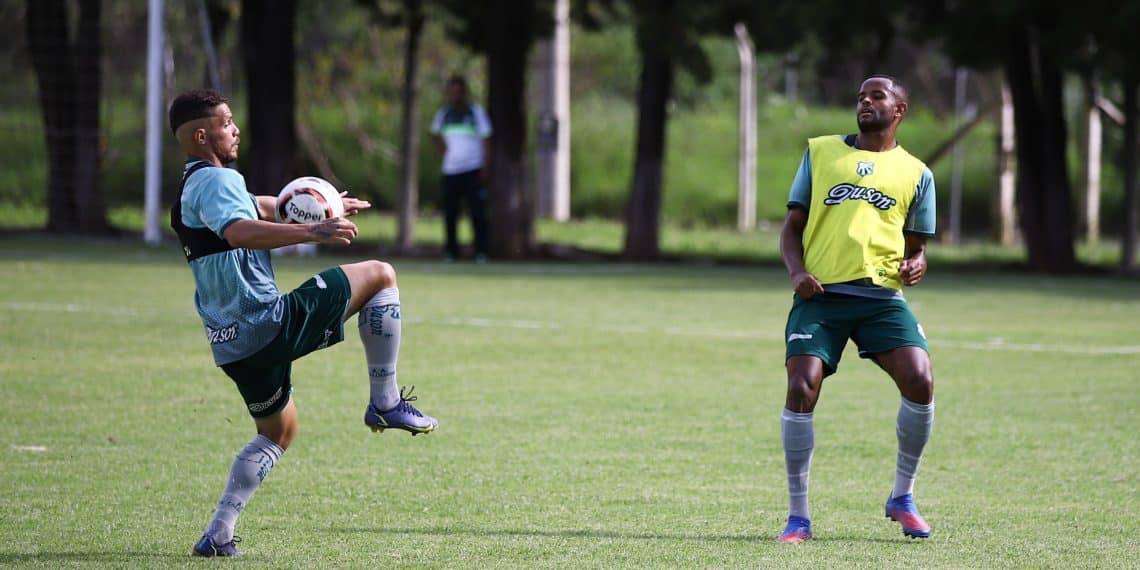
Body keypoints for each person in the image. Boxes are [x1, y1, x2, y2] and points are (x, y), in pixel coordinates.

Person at [167, 89, 439, 558]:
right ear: (200, 134)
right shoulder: (216, 181)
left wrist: (328, 203)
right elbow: (241, 230)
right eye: (227, 121)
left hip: (234, 346)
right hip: (266, 323)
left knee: (278, 431)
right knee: (380, 275)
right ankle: (386, 402)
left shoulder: (196, 186)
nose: (235, 129)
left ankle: (218, 534)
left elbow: (261, 207)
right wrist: (312, 231)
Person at [775, 75, 937, 543]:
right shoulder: (821, 152)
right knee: (802, 386)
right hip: (821, 296)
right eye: (861, 96)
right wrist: (796, 273)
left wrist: (917, 262)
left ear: (899, 110)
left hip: (881, 298)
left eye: (877, 96)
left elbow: (917, 246)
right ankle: (798, 517)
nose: (865, 102)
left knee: (920, 378)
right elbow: (791, 227)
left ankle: (902, 496)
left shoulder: (916, 173)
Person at [430, 75, 493, 262]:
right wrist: (445, 151)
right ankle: (451, 251)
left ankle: (481, 251)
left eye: (459, 91)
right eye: (452, 92)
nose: (456, 95)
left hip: (473, 169)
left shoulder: (475, 112)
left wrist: (485, 166)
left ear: (464, 92)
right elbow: (434, 135)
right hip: (451, 171)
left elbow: (486, 139)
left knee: (478, 213)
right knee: (450, 214)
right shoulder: (445, 114)